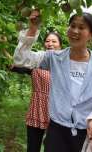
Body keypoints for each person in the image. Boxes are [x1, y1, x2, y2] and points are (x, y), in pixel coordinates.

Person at [13, 11, 92, 152]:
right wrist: (32, 29)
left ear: (91, 35)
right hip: (58, 134)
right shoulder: (54, 58)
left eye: (81, 27)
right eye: (72, 26)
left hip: (88, 132)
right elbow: (21, 59)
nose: (75, 31)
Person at [10, 9, 62, 152]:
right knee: (33, 149)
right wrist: (32, 29)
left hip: (57, 112)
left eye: (54, 41)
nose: (50, 43)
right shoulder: (40, 58)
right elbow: (19, 61)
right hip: (37, 110)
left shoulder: (66, 61)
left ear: (60, 45)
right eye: (47, 41)